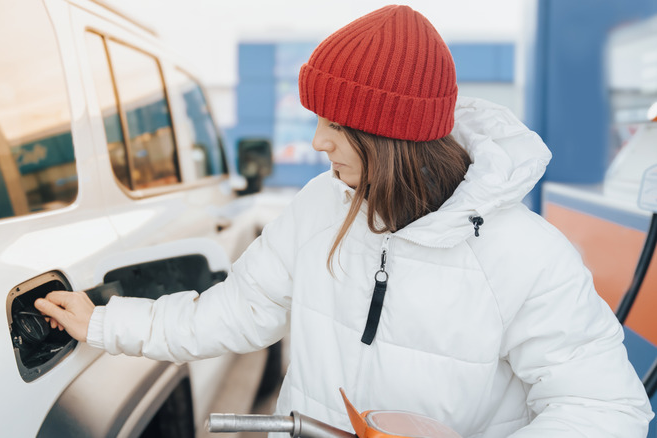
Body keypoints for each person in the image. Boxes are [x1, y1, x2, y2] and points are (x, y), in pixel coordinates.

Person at [35, 5, 653, 437]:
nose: (316, 141)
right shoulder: (317, 207)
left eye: (334, 124)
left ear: (387, 136)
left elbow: (603, 410)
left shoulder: (526, 256)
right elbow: (236, 313)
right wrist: (106, 323)